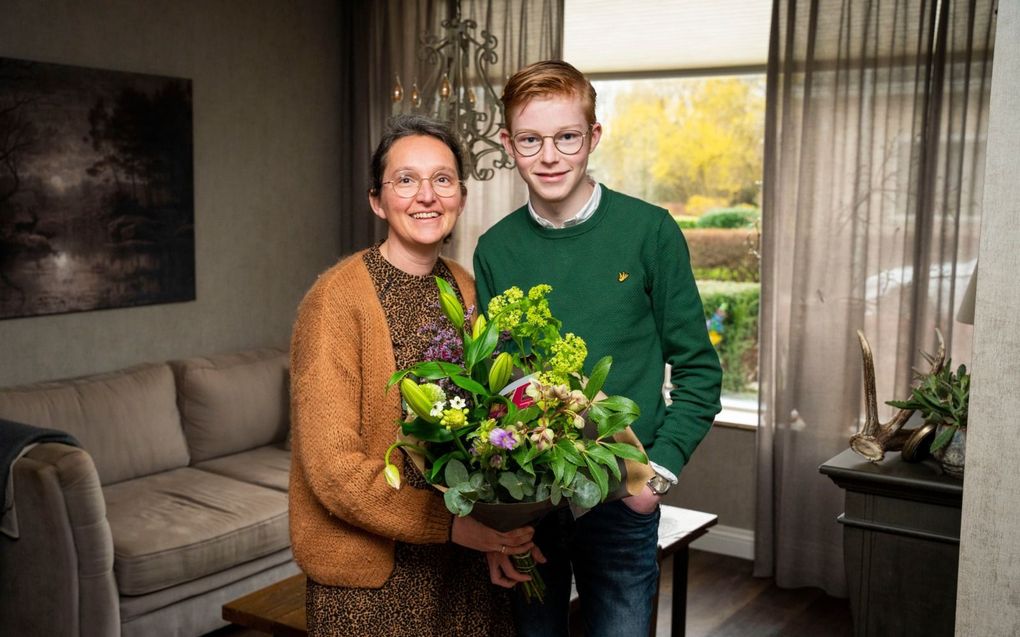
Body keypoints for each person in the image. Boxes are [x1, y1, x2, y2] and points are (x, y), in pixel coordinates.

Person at [473, 60, 723, 636]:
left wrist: (654, 475)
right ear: (509, 144)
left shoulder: (650, 231)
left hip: (620, 501)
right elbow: (495, 384)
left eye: (567, 137)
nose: (550, 156)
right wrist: (496, 506)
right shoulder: (495, 248)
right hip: (528, 502)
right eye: (531, 140)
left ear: (594, 136)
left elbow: (698, 371)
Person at [289, 114, 537, 637]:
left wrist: (492, 533)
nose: (426, 195)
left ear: (461, 198)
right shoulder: (335, 301)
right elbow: (333, 470)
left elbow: (490, 426)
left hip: (464, 568)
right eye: (406, 180)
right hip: (373, 579)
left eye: (442, 179)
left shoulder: (468, 289)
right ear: (377, 200)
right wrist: (449, 526)